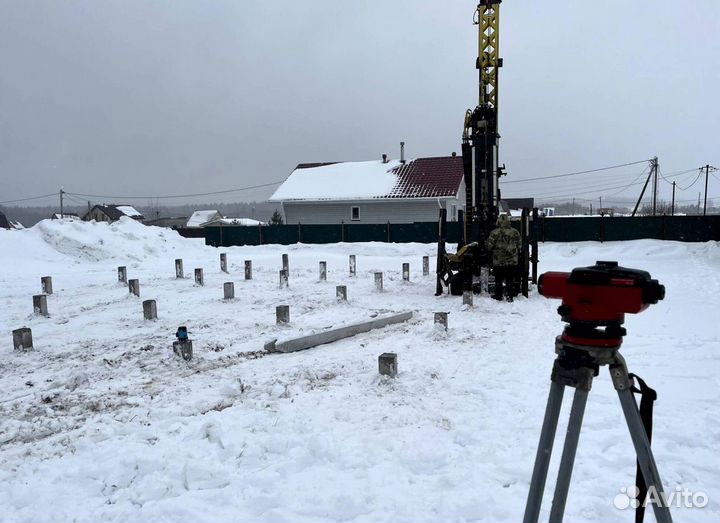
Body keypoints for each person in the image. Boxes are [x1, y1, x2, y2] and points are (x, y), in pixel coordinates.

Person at [485, 213, 521, 301]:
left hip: (499, 261)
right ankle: (510, 296)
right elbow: (519, 245)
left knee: (498, 279)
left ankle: (499, 295)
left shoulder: (494, 233)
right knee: (510, 279)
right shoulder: (515, 232)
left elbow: (489, 247)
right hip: (512, 261)